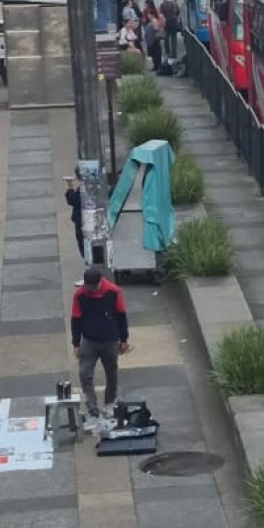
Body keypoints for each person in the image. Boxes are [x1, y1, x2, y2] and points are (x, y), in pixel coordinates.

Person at [71, 267, 129, 430]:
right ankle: (92, 410)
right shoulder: (80, 295)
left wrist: (123, 339)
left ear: (99, 282)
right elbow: (76, 319)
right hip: (89, 340)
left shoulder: (113, 292)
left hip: (109, 340)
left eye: (93, 287)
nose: (90, 290)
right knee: (84, 373)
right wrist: (76, 343)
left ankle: (110, 403)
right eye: (87, 287)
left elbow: (121, 315)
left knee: (111, 372)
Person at [64, 176, 84, 259]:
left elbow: (73, 200)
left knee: (82, 242)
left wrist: (70, 187)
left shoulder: (83, 189)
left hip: (82, 220)